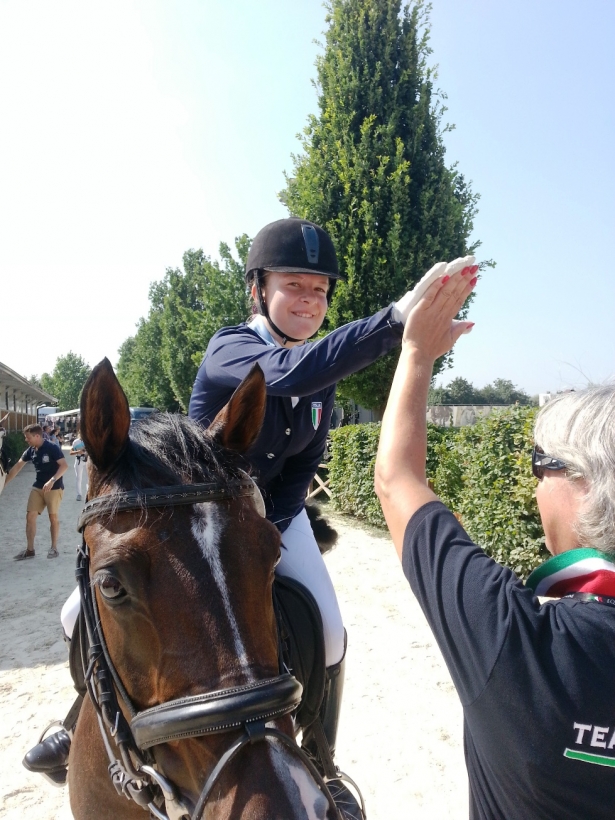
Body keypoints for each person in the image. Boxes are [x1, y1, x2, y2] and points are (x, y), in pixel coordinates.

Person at [189, 217, 473, 816]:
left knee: (331, 633)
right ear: (258, 288)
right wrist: (396, 321)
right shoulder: (230, 348)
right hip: (203, 514)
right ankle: (75, 724)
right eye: (295, 285)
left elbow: (302, 465)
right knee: (80, 606)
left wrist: (269, 528)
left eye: (320, 291)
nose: (310, 301)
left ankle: (322, 762)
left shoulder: (322, 376)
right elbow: (291, 374)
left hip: (274, 516)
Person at [374, 267, 615, 819]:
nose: (533, 485)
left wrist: (416, 351)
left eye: (540, 465)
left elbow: (397, 478)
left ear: (581, 482)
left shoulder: (515, 634)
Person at [4, 423, 68, 560]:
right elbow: (16, 468)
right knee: (30, 516)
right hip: (38, 487)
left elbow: (64, 466)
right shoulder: (30, 451)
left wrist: (52, 480)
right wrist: (3, 485)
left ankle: (54, 548)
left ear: (37, 436)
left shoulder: (52, 448)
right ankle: (30, 550)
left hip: (54, 487)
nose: (26, 440)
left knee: (53, 517)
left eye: (28, 437)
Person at [69, 431, 88, 501]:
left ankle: (88, 494)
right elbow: (71, 452)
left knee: (88, 478)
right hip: (79, 460)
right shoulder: (76, 442)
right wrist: (78, 452)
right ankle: (79, 494)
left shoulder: (88, 440)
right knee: (78, 478)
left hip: (87, 460)